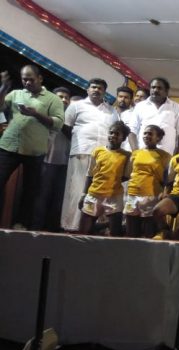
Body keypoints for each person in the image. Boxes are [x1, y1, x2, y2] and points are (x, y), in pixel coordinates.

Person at [0, 65, 64, 230]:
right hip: (8, 146)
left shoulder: (52, 99)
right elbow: (1, 109)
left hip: (34, 151)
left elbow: (57, 123)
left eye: (30, 79)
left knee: (30, 191)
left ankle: (21, 224)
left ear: (40, 78)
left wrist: (35, 114)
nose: (27, 82)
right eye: (24, 79)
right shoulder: (15, 94)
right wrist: (3, 89)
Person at [60, 78, 120, 232]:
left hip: (103, 158)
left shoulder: (111, 111)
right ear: (87, 90)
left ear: (104, 92)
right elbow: (66, 127)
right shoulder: (76, 106)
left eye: (100, 88)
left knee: (98, 192)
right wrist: (78, 140)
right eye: (93, 87)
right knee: (76, 190)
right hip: (81, 151)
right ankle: (71, 226)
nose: (96, 90)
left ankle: (93, 227)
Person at [78, 121, 131, 236]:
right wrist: (83, 194)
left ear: (124, 138)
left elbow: (126, 176)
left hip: (114, 197)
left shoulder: (127, 156)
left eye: (117, 134)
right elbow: (90, 174)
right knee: (83, 232)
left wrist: (111, 180)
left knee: (114, 234)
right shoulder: (98, 151)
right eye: (111, 133)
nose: (113, 136)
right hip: (94, 195)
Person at [34, 86, 71, 231]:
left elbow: (72, 135)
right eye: (60, 96)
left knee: (58, 199)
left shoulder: (71, 116)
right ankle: (35, 227)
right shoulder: (42, 112)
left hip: (64, 163)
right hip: (44, 161)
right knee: (41, 196)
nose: (64, 100)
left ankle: (52, 229)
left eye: (66, 98)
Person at [124, 125, 171, 238]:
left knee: (149, 232)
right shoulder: (135, 153)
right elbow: (128, 173)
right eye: (145, 133)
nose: (146, 136)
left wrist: (165, 192)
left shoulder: (165, 156)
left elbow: (168, 178)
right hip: (133, 194)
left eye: (150, 133)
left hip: (151, 195)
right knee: (131, 231)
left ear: (158, 138)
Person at [129, 77, 179, 155]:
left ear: (166, 91)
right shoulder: (140, 106)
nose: (155, 90)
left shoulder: (176, 107)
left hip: (167, 155)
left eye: (159, 88)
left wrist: (177, 156)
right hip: (143, 154)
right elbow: (132, 131)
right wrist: (135, 152)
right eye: (153, 87)